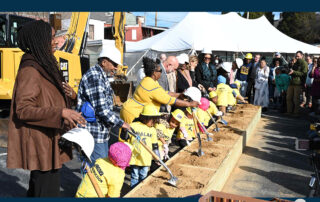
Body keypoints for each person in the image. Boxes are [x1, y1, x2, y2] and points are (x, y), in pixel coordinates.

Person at [7, 20, 86, 197]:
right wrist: (61, 113)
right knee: (46, 191)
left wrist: (71, 97)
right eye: (51, 37)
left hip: (50, 143)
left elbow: (49, 98)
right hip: (42, 146)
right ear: (39, 40)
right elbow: (23, 109)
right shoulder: (30, 70)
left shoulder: (44, 65)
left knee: (39, 190)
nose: (55, 41)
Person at [77, 46, 131, 165]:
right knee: (98, 170)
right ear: (104, 62)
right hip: (93, 133)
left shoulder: (102, 76)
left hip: (100, 132)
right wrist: (121, 123)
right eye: (114, 64)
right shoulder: (95, 77)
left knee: (98, 167)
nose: (116, 68)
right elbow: (102, 109)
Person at [120, 57, 198, 124]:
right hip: (132, 113)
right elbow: (171, 100)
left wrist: (179, 95)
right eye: (160, 71)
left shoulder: (150, 80)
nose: (161, 73)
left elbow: (164, 93)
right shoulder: (151, 85)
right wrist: (190, 104)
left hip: (130, 110)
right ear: (154, 73)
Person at [121, 105, 160, 187]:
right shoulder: (134, 125)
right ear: (145, 118)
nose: (154, 123)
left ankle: (141, 191)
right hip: (135, 157)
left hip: (146, 158)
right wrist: (125, 131)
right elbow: (124, 137)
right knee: (134, 176)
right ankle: (133, 191)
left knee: (144, 176)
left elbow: (155, 145)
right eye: (152, 120)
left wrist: (157, 157)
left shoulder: (152, 130)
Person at [286, 51, 308, 116]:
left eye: (298, 56)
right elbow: (292, 71)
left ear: (302, 56)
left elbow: (304, 73)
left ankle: (296, 113)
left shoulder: (304, 63)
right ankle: (289, 111)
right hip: (291, 82)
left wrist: (294, 72)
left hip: (298, 83)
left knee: (296, 99)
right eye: (296, 56)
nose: (297, 57)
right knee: (288, 98)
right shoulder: (296, 63)